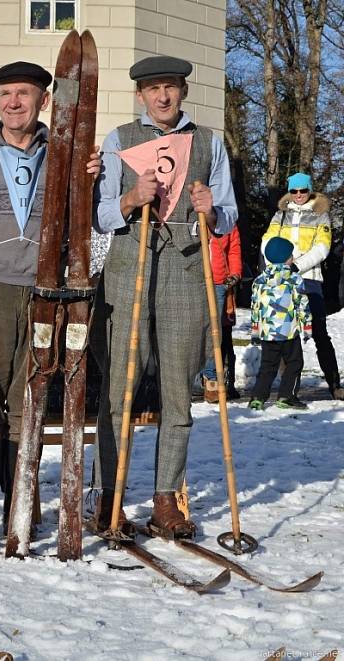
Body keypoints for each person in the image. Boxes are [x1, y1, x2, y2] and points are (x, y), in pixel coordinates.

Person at [0, 61, 104, 536]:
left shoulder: (64, 152)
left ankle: (22, 493)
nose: (12, 103)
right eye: (5, 94)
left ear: (44, 100)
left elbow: (87, 220)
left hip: (43, 290)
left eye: (23, 94)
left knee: (29, 394)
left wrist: (93, 179)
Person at [92, 56, 238, 537]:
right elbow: (102, 214)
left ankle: (165, 497)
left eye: (171, 88)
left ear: (183, 92)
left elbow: (229, 213)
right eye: (153, 89)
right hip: (129, 263)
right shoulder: (120, 140)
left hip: (186, 266)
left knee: (178, 388)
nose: (162, 97)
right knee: (120, 385)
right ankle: (108, 493)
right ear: (140, 95)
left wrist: (211, 211)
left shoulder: (209, 143)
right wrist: (132, 200)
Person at [260, 173, 344, 400]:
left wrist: (296, 266)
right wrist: (277, 265)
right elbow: (267, 241)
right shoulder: (281, 214)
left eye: (303, 191)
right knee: (288, 333)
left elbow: (322, 248)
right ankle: (289, 390)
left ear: (309, 190)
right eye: (294, 191)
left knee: (319, 331)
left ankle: (334, 383)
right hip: (284, 280)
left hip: (309, 278)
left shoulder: (320, 215)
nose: (298, 196)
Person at [249, 237, 312, 410]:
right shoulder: (294, 280)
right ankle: (287, 396)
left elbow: (255, 308)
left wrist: (255, 331)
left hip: (268, 332)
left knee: (267, 366)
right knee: (294, 363)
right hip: (289, 331)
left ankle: (257, 397)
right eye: (291, 255)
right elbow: (302, 304)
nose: (293, 258)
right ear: (286, 258)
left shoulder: (259, 281)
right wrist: (306, 327)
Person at [199, 224, 242, 402]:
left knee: (214, 332)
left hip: (218, 282)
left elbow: (233, 248)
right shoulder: (190, 212)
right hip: (190, 280)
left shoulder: (226, 219)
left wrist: (235, 273)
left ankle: (211, 380)